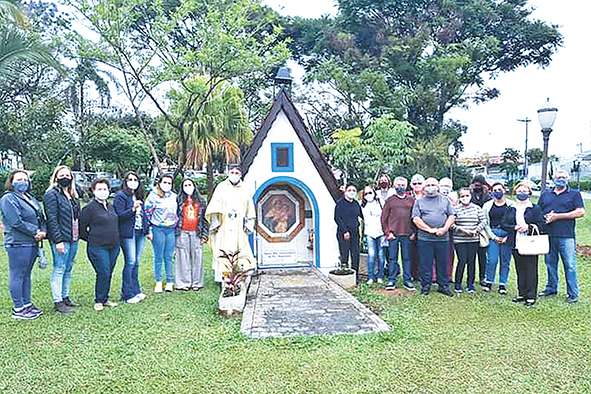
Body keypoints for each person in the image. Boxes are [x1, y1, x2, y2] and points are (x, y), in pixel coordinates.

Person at [0, 170, 46, 320]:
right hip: (18, 242)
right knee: (18, 274)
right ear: (11, 182)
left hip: (32, 242)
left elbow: (40, 216)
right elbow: (15, 222)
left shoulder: (30, 198)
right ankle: (18, 308)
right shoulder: (8, 199)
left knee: (26, 275)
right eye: (19, 179)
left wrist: (43, 231)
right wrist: (35, 231)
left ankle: (27, 304)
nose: (23, 182)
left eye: (26, 179)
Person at [538, 169, 585, 303]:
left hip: (566, 236)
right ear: (553, 178)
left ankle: (573, 293)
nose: (561, 179)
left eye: (564, 177)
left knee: (569, 265)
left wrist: (557, 216)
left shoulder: (574, 194)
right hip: (548, 235)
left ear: (568, 179)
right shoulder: (545, 194)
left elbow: (580, 212)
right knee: (550, 264)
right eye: (558, 177)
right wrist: (544, 217)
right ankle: (551, 288)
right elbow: (538, 211)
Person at [205, 164, 256, 284]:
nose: (234, 175)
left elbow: (250, 207)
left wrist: (249, 224)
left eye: (236, 173)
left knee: (241, 249)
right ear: (228, 173)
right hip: (224, 226)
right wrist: (215, 223)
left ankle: (240, 275)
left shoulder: (245, 189)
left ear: (241, 175)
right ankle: (223, 277)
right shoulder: (221, 187)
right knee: (223, 249)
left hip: (239, 227)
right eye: (232, 172)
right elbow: (215, 205)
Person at [44, 165, 81, 314]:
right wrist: (58, 240)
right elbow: (52, 219)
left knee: (68, 268)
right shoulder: (51, 194)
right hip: (61, 238)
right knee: (59, 268)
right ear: (56, 177)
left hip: (73, 237)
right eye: (61, 175)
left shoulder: (72, 194)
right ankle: (57, 301)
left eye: (67, 174)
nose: (65, 177)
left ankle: (65, 297)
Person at [79, 179, 120, 311]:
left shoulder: (111, 206)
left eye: (105, 189)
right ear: (94, 191)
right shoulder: (89, 209)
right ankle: (98, 300)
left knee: (109, 272)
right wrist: (92, 239)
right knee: (103, 272)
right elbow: (81, 230)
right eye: (99, 189)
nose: (103, 192)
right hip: (97, 247)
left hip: (113, 246)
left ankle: (105, 298)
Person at [412, 177, 456, 296]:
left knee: (442, 262)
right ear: (424, 187)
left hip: (442, 238)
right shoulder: (419, 202)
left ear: (438, 186)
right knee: (425, 263)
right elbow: (416, 219)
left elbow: (451, 216)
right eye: (428, 185)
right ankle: (425, 286)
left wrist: (444, 229)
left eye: (433, 184)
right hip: (425, 238)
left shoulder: (445, 201)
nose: (431, 187)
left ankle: (443, 286)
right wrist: (430, 230)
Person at [502, 183, 542, 307]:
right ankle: (522, 293)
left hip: (530, 242)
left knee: (531, 268)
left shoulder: (534, 208)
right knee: (520, 268)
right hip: (515, 242)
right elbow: (503, 224)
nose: (522, 193)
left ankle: (531, 296)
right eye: (519, 191)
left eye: (524, 191)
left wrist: (528, 227)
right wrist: (514, 227)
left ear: (529, 193)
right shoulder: (511, 207)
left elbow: (542, 223)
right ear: (515, 193)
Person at [114, 171, 150, 303]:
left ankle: (136, 290)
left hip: (140, 232)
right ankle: (127, 294)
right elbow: (119, 216)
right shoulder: (121, 196)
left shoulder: (139, 196)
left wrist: (148, 230)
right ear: (125, 181)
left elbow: (144, 215)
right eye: (130, 179)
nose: (133, 182)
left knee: (136, 263)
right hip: (128, 233)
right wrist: (132, 209)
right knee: (130, 262)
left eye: (135, 179)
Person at [145, 174, 179, 293]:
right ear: (159, 183)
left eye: (169, 183)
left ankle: (169, 281)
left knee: (169, 256)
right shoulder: (153, 196)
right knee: (158, 256)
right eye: (164, 182)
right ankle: (158, 281)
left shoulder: (175, 197)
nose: (167, 185)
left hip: (171, 229)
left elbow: (178, 212)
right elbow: (147, 214)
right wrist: (149, 230)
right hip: (157, 229)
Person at [381, 176, 415, 290]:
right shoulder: (390, 200)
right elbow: (383, 218)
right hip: (393, 234)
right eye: (398, 185)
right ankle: (391, 280)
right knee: (392, 258)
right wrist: (387, 232)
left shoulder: (411, 200)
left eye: (402, 185)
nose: (400, 187)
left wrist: (413, 232)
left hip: (407, 234)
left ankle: (407, 280)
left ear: (406, 186)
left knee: (407, 258)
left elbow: (415, 217)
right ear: (394, 186)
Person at [176, 177, 209, 291]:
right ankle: (184, 282)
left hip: (196, 232)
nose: (188, 187)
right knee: (183, 256)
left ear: (194, 187)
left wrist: (205, 235)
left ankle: (197, 282)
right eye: (185, 185)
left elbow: (205, 220)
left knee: (197, 256)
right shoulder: (178, 200)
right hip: (182, 231)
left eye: (190, 185)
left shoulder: (201, 201)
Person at [482, 182, 515, 294]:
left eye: (499, 189)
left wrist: (508, 237)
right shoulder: (487, 206)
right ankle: (489, 281)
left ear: (504, 190)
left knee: (505, 261)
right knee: (492, 260)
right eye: (494, 190)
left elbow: (515, 221)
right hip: (493, 234)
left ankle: (502, 284)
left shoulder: (512, 205)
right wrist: (493, 236)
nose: (497, 192)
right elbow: (484, 223)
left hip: (507, 235)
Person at [451, 188, 486, 293]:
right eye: (462, 196)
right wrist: (460, 229)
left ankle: (470, 284)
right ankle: (458, 284)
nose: (465, 198)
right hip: (459, 239)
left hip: (473, 239)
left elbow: (483, 221)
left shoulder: (477, 208)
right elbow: (451, 223)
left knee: (471, 261)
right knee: (462, 261)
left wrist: (477, 229)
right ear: (459, 198)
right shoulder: (455, 209)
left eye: (467, 195)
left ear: (471, 196)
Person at [334, 184, 363, 283]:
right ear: (345, 191)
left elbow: (361, 216)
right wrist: (345, 231)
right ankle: (345, 275)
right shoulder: (340, 203)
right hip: (344, 233)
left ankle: (355, 276)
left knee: (355, 255)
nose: (352, 192)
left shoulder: (356, 204)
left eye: (354, 190)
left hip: (355, 232)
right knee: (344, 254)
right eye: (349, 190)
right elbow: (337, 218)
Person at [470, 174, 492, 286]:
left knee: (483, 256)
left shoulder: (488, 196)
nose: (477, 187)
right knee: (471, 256)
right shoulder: (469, 194)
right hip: (471, 229)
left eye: (480, 184)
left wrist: (485, 193)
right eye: (475, 184)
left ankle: (482, 277)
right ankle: (471, 277)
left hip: (484, 230)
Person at [361, 186, 384, 285]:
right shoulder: (362, 205)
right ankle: (370, 277)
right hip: (369, 232)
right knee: (371, 254)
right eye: (366, 194)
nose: (368, 195)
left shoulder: (380, 203)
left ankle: (380, 276)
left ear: (374, 193)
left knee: (381, 255)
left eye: (370, 192)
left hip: (381, 232)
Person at [409, 173, 425, 281]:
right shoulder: (409, 197)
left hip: (425, 229)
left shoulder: (427, 196)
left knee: (423, 254)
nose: (417, 185)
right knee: (412, 254)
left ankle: (422, 275)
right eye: (415, 183)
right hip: (411, 229)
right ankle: (413, 274)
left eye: (419, 183)